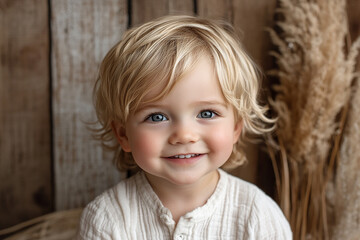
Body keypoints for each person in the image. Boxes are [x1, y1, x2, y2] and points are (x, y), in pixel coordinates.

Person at [77, 15, 292, 239]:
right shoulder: (107, 218)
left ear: (236, 128)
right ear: (123, 135)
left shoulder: (257, 215)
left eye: (207, 113)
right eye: (157, 117)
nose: (184, 136)